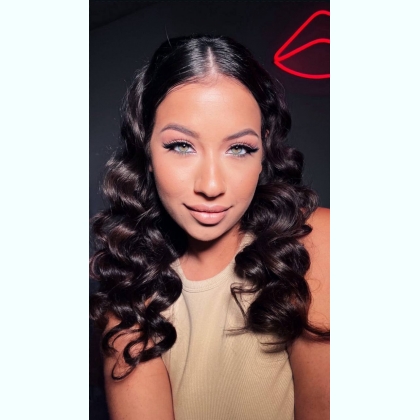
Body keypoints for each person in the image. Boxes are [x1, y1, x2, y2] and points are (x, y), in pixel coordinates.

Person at [90, 34, 330, 420]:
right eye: (181, 146)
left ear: (264, 150)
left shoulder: (313, 241)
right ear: (146, 149)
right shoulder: (131, 290)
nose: (212, 185)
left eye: (239, 148)